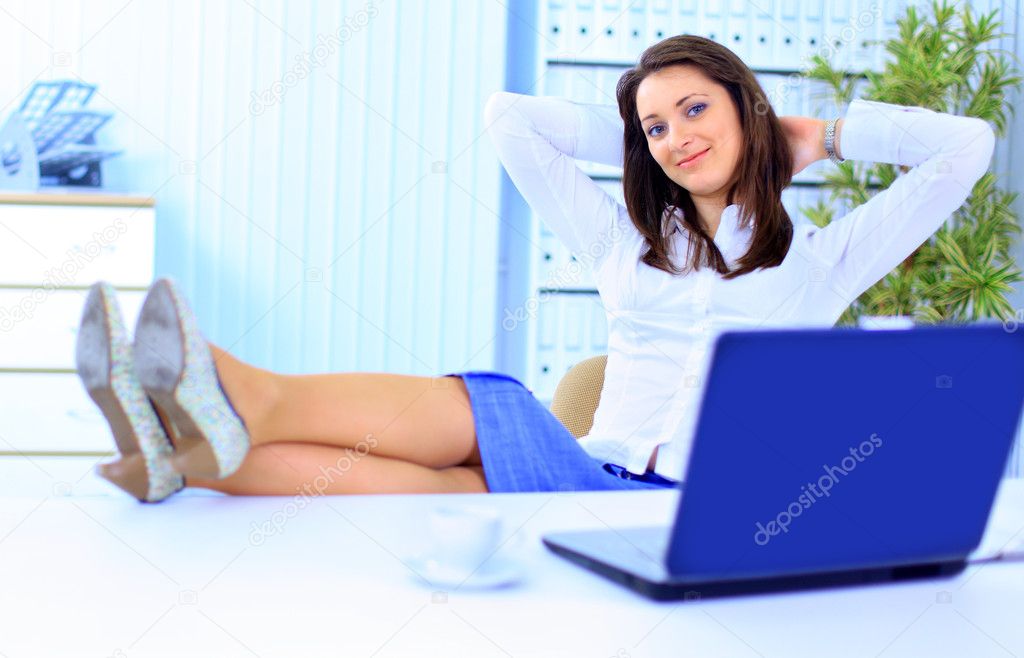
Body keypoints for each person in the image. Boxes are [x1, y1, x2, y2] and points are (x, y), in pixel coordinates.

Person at [76, 35, 995, 502]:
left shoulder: (823, 260)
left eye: (695, 109)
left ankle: (204, 393)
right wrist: (638, 142)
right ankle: (184, 454)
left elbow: (968, 147)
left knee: (463, 474)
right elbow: (510, 118)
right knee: (478, 446)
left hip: (688, 508)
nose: (676, 137)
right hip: (587, 478)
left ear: (747, 107)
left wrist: (818, 137)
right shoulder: (624, 243)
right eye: (654, 127)